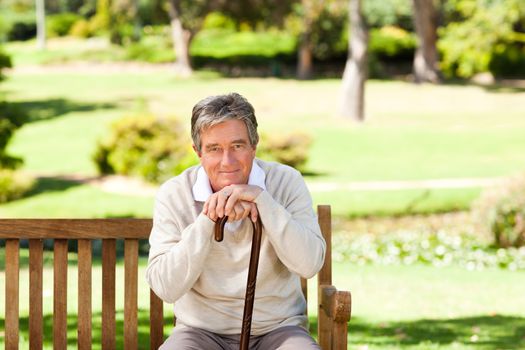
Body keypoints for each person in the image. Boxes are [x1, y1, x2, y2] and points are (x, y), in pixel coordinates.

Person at [146, 92, 326, 349]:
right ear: (198, 151)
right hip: (200, 333)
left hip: (278, 329)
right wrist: (208, 219)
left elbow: (309, 264)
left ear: (254, 145)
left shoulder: (286, 182)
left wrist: (263, 202)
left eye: (237, 146)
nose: (227, 161)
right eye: (214, 149)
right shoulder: (175, 194)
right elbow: (165, 287)